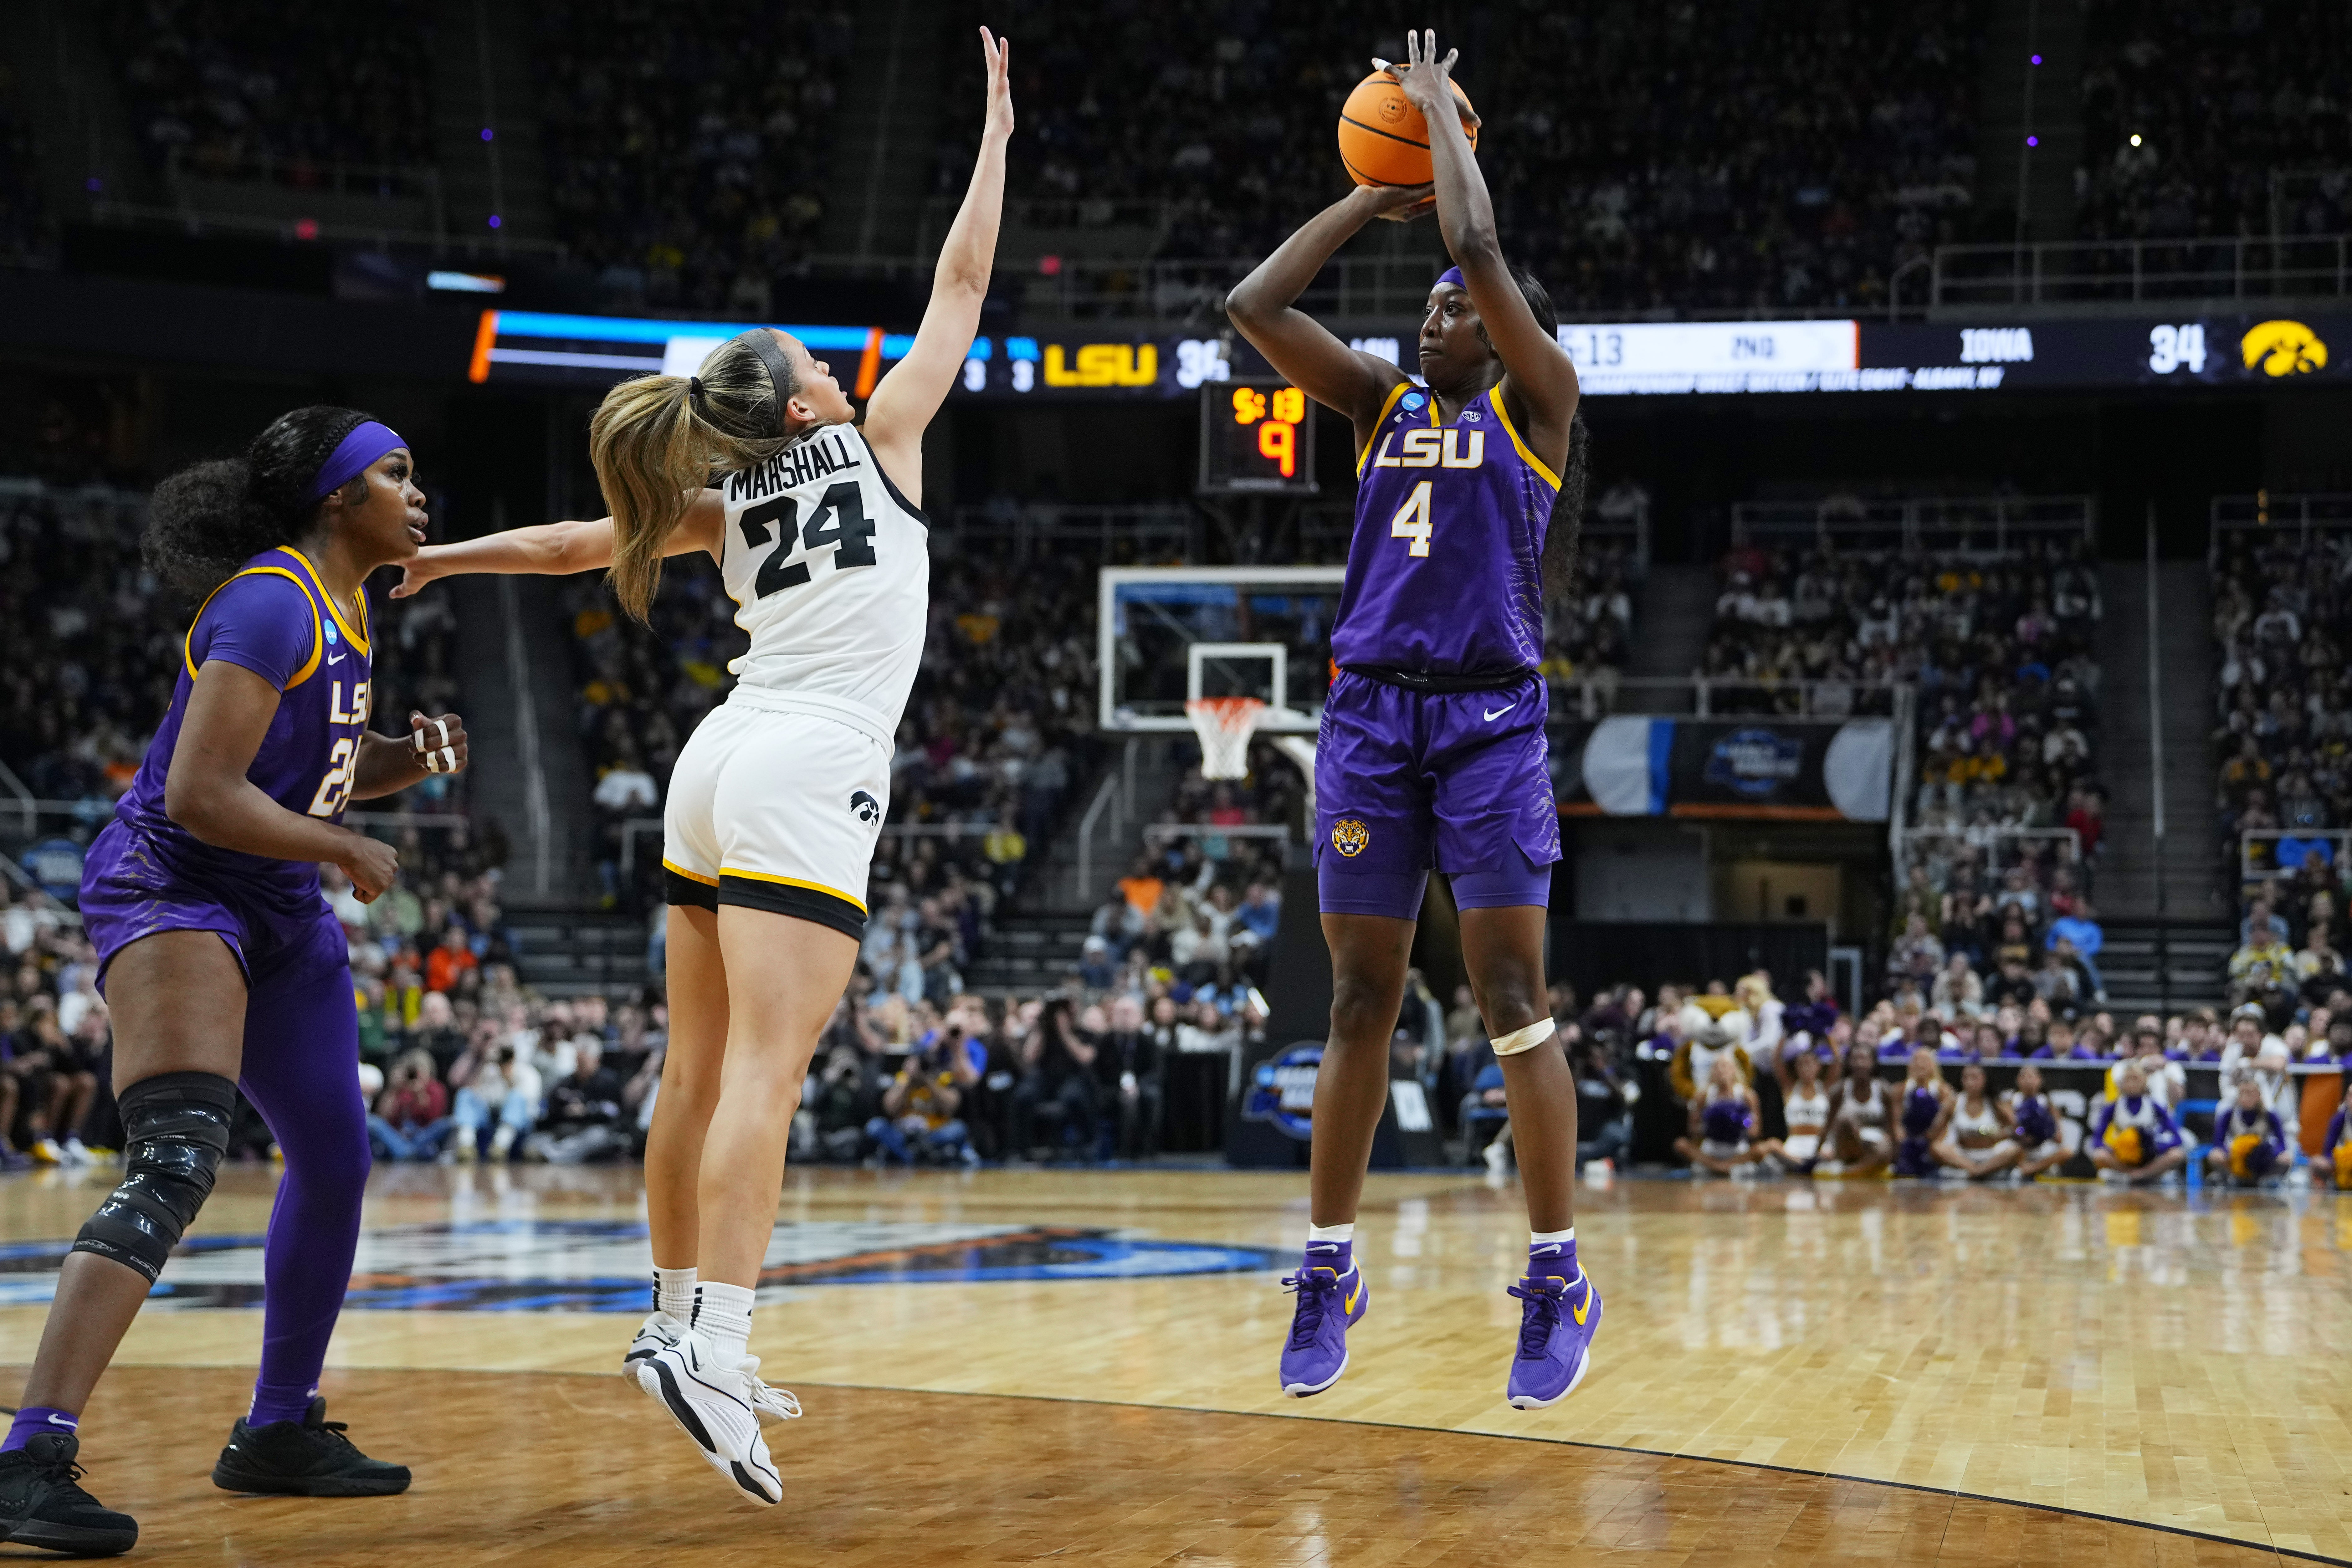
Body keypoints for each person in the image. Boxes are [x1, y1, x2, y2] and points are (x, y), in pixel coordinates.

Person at [391, 31, 1012, 1503]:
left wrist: (437, 559)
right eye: (814, 363)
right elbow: (963, 288)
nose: (835, 364)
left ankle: (673, 1314)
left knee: (693, 1064)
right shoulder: (887, 436)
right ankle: (716, 1342)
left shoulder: (724, 494)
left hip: (714, 756)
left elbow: (559, 546)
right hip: (807, 765)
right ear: (804, 405)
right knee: (767, 1074)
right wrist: (992, 138)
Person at [0, 409, 467, 1551]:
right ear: (333, 498)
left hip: (271, 901)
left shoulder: (349, 605)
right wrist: (344, 849)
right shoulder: (270, 599)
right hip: (177, 885)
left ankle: (277, 1428)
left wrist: (402, 764)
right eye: (393, 474)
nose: (417, 492)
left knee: (340, 1156)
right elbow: (203, 792)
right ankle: (28, 1454)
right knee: (174, 1161)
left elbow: (311, 777)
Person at [1225, 29, 1596, 1410]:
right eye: (1428, 304)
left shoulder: (1540, 407)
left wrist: (1438, 127)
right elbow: (1254, 305)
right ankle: (1328, 1264)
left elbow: (1487, 253)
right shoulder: (1379, 408)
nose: (1435, 314)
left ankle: (1557, 1277)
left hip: (1492, 728)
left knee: (1509, 997)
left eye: (1456, 306)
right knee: (1360, 999)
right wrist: (1367, 199)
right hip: (1371, 719)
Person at [2088, 1062, 2189, 1185]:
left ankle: (2143, 1174)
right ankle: (2130, 1174)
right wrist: (2114, 1149)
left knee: (2177, 1155)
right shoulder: (2113, 1107)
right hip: (2124, 1157)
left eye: (2135, 1079)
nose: (2131, 1084)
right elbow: (2097, 1139)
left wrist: (2157, 1147)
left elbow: (2177, 1137)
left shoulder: (2153, 1106)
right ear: (2121, 1083)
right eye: (2127, 1079)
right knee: (2099, 1155)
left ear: (2144, 1081)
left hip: (2150, 1156)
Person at [1672, 1053, 1764, 1176]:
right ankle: (1720, 1167)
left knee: (1761, 1150)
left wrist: (1738, 1126)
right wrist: (1712, 1127)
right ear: (1712, 1072)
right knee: (1681, 1144)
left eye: (1725, 1066)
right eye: (1717, 1067)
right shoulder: (1703, 1096)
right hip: (1712, 1149)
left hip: (1738, 1149)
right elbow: (1692, 1129)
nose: (1721, 1071)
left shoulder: (1747, 1096)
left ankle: (1722, 1166)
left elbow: (1756, 1131)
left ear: (1734, 1070)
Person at [1819, 1038, 1893, 1177]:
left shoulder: (1883, 1090)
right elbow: (1828, 1126)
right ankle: (1864, 1168)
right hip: (1847, 1143)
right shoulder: (1840, 1090)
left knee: (1884, 1148)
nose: (1860, 1064)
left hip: (1874, 1146)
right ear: (1849, 1063)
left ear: (1873, 1063)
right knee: (1845, 1120)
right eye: (1855, 1059)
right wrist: (1819, 1151)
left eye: (1865, 1059)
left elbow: (1893, 1127)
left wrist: (1897, 1157)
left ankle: (1849, 1172)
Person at [1932, 1062, 2019, 1180]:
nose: (1970, 1082)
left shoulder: (1995, 1103)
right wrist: (1943, 1111)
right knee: (1937, 1148)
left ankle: (1979, 1171)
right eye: (1966, 1077)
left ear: (1985, 1080)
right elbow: (1936, 1131)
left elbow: (2017, 1128)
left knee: (2015, 1150)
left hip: (1991, 1153)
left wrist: (1998, 1134)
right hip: (1963, 1154)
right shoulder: (1954, 1102)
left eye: (1975, 1078)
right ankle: (1975, 1170)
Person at [2205, 1078, 2290, 1187]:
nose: (2245, 1098)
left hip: (2261, 1159)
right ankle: (2231, 1178)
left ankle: (2267, 1179)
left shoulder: (2269, 1115)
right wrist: (2236, 1152)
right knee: (2215, 1155)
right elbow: (2218, 1143)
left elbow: (2282, 1144)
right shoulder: (2229, 1114)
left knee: (2286, 1158)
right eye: (2242, 1094)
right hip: (2236, 1158)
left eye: (2250, 1094)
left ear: (2259, 1096)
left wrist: (2267, 1153)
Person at [1759, 1045, 1831, 1175]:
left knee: (1831, 1152)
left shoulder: (1825, 1088)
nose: (1805, 1069)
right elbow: (1777, 1061)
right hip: (1794, 1145)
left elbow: (1838, 1062)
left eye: (1809, 1064)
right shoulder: (1790, 1089)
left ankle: (1805, 1166)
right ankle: (1806, 1166)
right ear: (1796, 1069)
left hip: (1819, 1145)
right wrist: (1787, 1032)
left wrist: (1827, 1032)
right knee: (1772, 1145)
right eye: (1801, 1065)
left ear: (1819, 1066)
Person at [1892, 1047, 1954, 1176]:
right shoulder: (1900, 1090)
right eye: (1917, 1061)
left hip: (1933, 1137)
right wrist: (1902, 1139)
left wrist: (1931, 1139)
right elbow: (1896, 1120)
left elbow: (1945, 1123)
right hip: (1909, 1136)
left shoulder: (1944, 1091)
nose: (1920, 1065)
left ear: (1933, 1065)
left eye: (1925, 1061)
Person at [2008, 1063, 2071, 1180]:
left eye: (2032, 1077)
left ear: (2040, 1080)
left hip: (2041, 1146)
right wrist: (2021, 1133)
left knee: (2067, 1152)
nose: (2028, 1080)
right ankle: (2022, 1167)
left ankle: (2030, 1169)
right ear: (2018, 1080)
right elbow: (2011, 1129)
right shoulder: (2010, 1101)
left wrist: (2045, 1132)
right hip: (2020, 1147)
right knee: (2009, 1150)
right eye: (2024, 1076)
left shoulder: (2047, 1103)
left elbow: (2059, 1137)